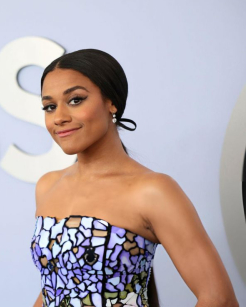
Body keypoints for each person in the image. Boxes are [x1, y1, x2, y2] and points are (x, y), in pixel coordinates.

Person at [30, 49, 238, 307]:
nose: (59, 117)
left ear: (112, 102)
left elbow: (220, 299)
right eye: (50, 106)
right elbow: (56, 285)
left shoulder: (153, 191)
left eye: (75, 100)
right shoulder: (48, 185)